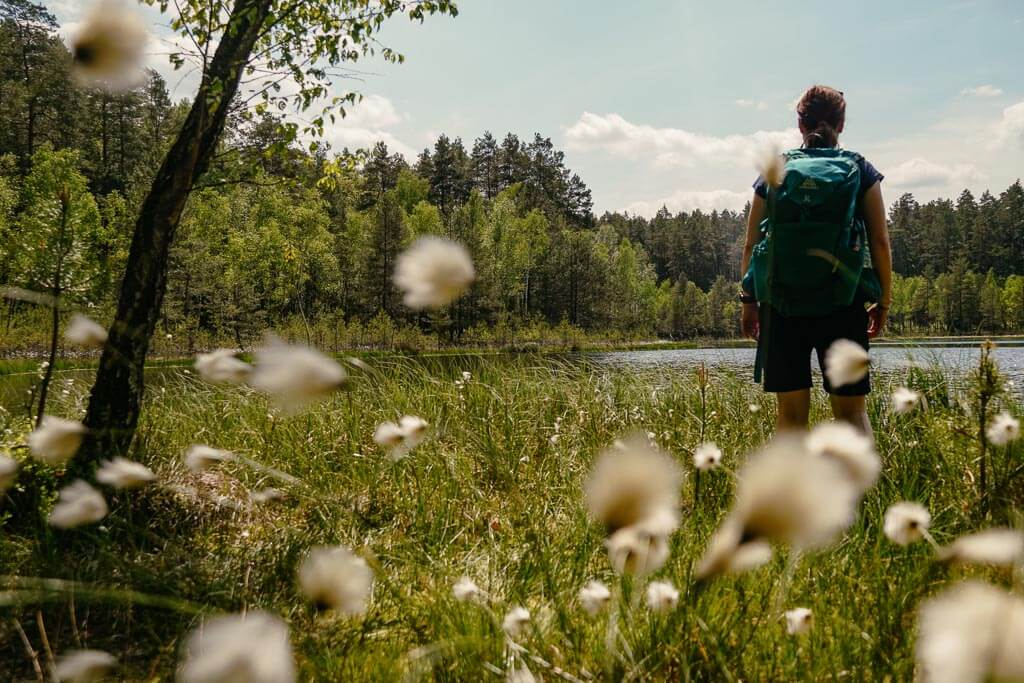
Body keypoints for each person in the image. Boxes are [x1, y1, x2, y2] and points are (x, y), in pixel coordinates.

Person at [739, 85, 893, 434]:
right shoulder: (859, 168)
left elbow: (751, 244)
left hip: (781, 305)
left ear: (800, 125)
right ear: (841, 124)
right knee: (851, 415)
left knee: (791, 418)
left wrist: (749, 301)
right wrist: (883, 301)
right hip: (844, 302)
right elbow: (880, 242)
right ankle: (857, 489)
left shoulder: (775, 170)